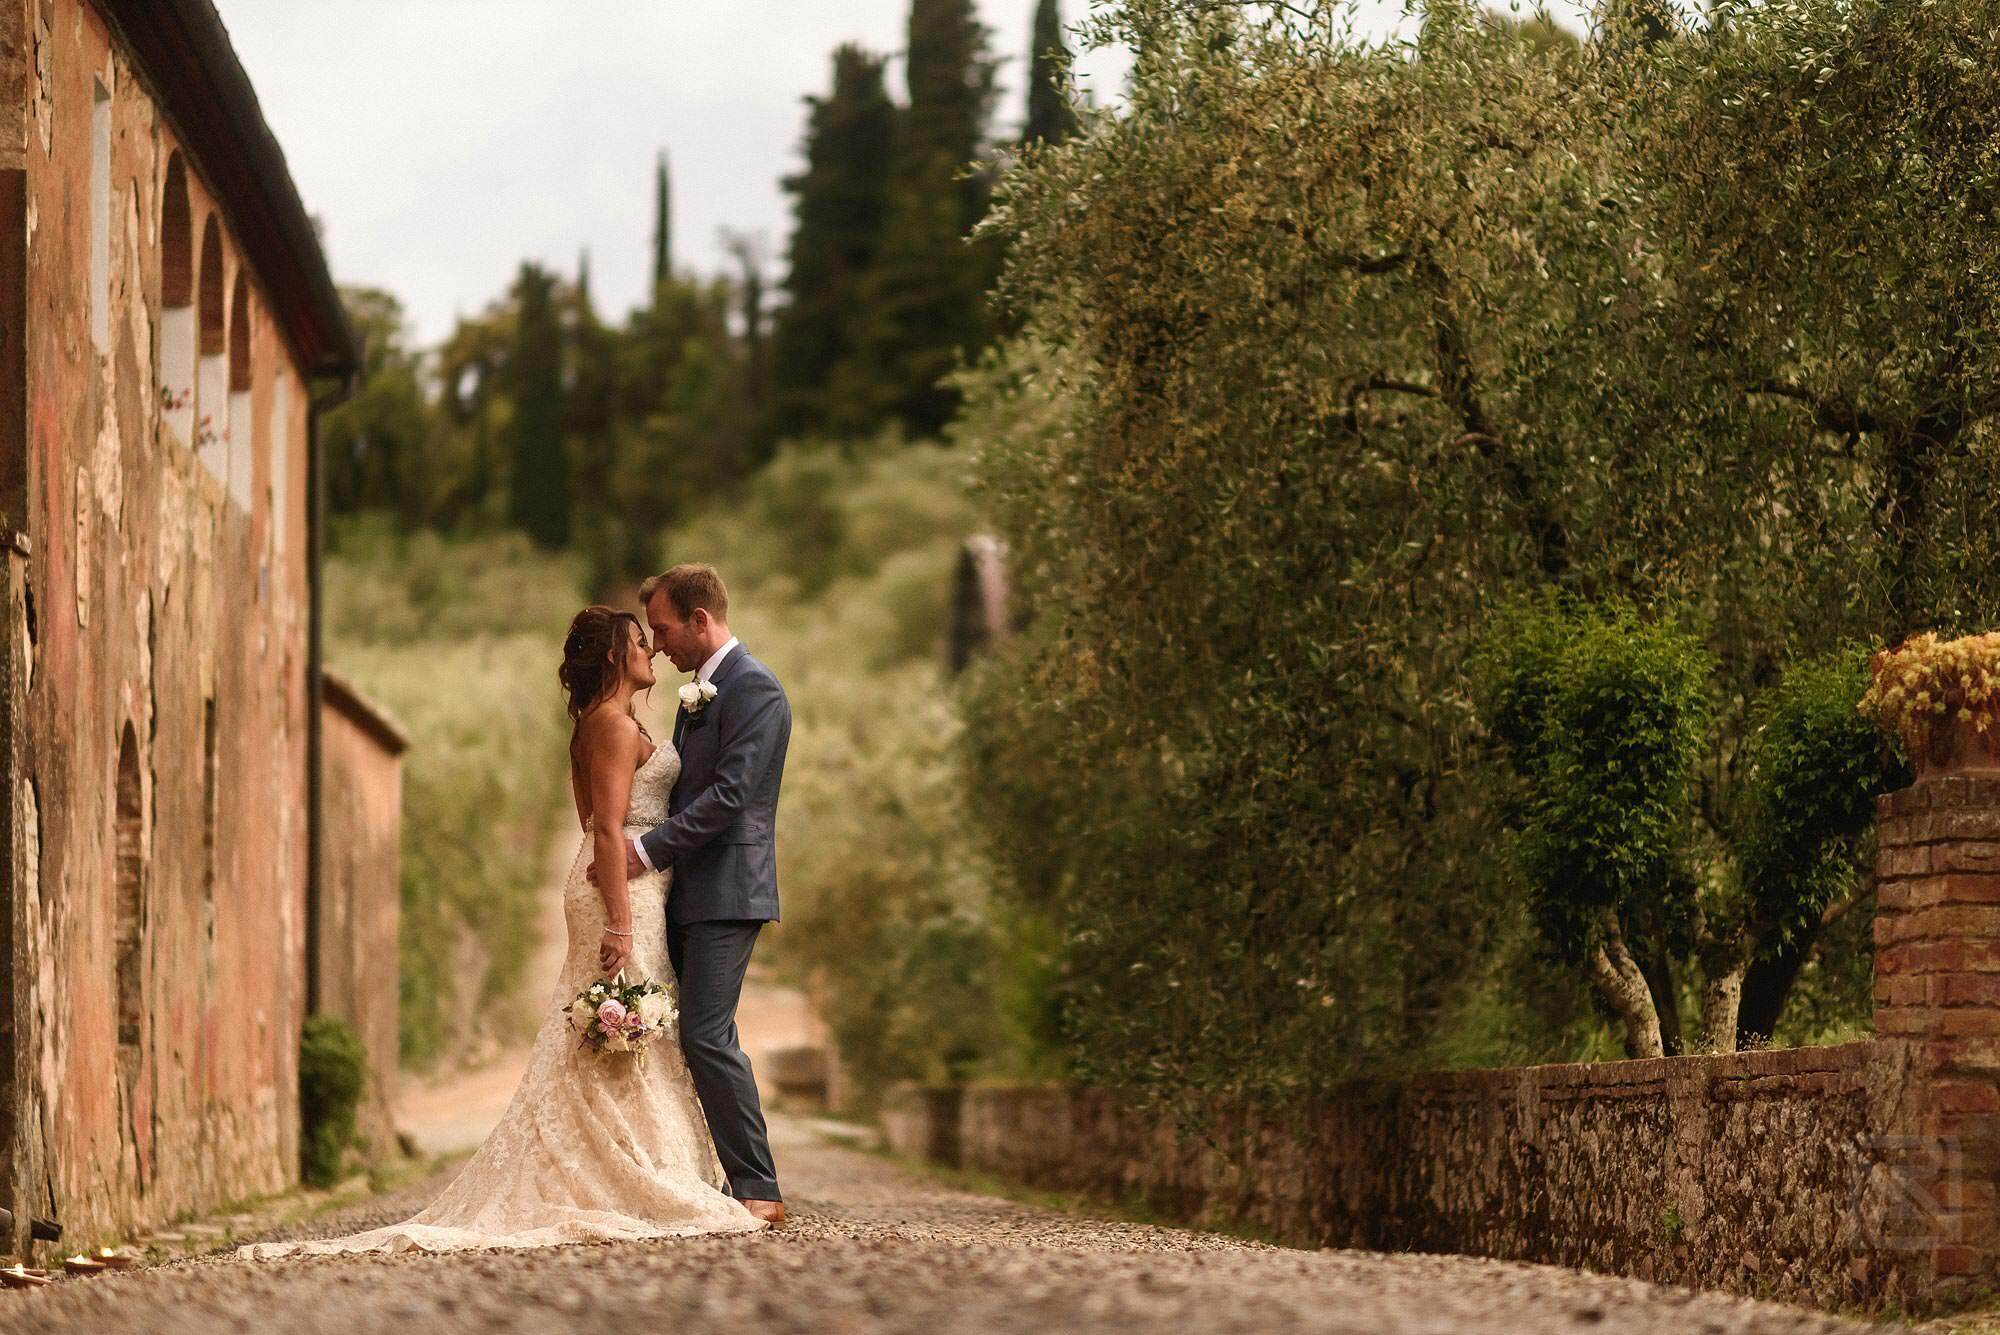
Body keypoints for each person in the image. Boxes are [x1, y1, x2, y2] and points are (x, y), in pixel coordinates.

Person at [239, 606, 762, 1258]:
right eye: (637, 641)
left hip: (623, 880)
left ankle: (629, 1164)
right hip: (618, 886)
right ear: (610, 656)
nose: (650, 651)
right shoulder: (612, 726)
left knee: (626, 1027)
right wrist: (622, 923)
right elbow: (602, 827)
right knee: (622, 1021)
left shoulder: (603, 724)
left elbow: (589, 817)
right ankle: (626, 1173)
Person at [600, 563, 789, 1225]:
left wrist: (646, 849)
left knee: (708, 1034)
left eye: (664, 627)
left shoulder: (754, 688)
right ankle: (711, 1175)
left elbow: (732, 795)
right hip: (688, 890)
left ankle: (758, 1186)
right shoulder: (701, 691)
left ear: (700, 619)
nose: (657, 644)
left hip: (730, 887)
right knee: (690, 1035)